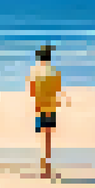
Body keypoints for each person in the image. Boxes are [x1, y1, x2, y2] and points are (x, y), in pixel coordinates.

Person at [27, 45, 68, 178]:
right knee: (48, 140)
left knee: (42, 138)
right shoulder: (55, 71)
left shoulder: (35, 71)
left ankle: (43, 167)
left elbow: (32, 91)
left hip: (39, 107)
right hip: (50, 107)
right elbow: (57, 90)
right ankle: (47, 168)